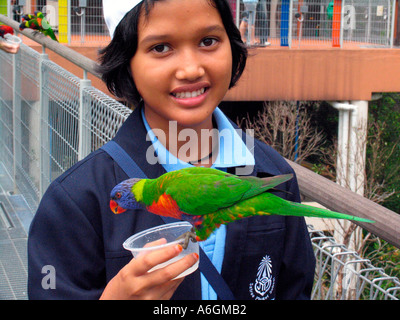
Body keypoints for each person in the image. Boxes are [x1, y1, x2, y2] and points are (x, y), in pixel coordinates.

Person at [28, 0, 315, 300]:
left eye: (208, 41)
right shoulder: (75, 202)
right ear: (127, 62)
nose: (191, 69)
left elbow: (295, 287)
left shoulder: (274, 172)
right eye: (161, 48)